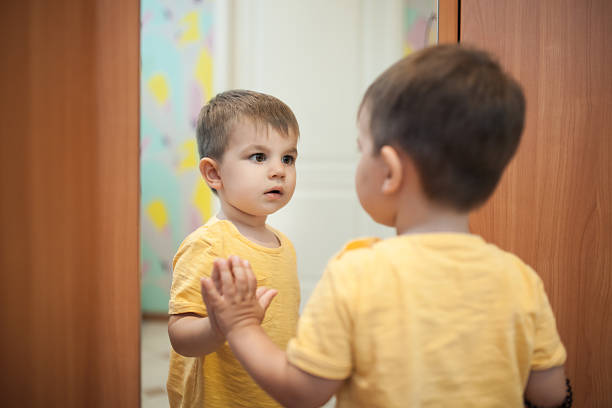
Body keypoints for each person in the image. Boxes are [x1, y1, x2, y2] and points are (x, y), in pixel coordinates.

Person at [201, 45, 570, 407]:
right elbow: (550, 393)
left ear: (390, 172)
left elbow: (302, 392)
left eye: (362, 148)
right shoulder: (520, 279)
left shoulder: (356, 274)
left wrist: (242, 326)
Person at [167, 89, 301, 407]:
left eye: (288, 158)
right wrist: (219, 326)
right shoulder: (208, 244)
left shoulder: (285, 246)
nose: (279, 170)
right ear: (214, 173)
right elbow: (180, 334)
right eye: (259, 157)